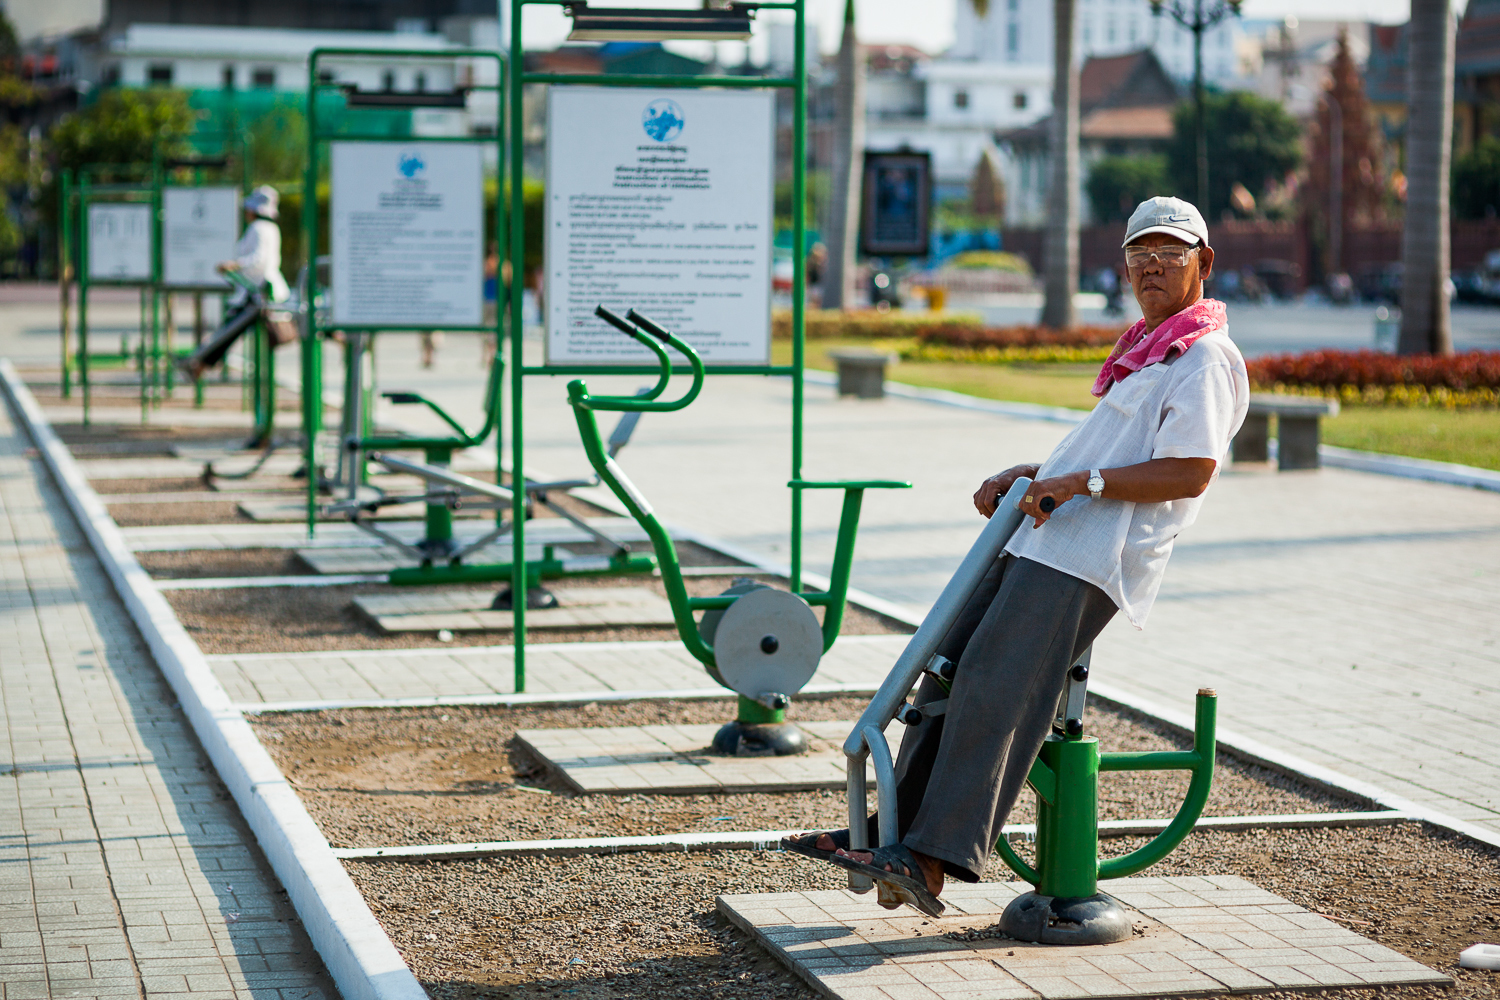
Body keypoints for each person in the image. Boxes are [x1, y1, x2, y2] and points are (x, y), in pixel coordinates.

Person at [782, 196, 1249, 916]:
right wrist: (1032, 474)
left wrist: (1081, 483)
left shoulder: (1207, 358)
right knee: (944, 670)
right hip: (1044, 537)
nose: (1152, 267)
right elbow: (1107, 456)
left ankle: (935, 856)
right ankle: (890, 833)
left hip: (1089, 559)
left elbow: (1189, 470)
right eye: (1139, 255)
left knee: (998, 686)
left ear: (1204, 263)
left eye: (1171, 254)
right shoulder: (1148, 348)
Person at [180, 186, 290, 381]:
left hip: (258, 291)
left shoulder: (259, 228)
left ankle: (201, 361)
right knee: (231, 327)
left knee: (230, 328)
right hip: (258, 289)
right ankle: (202, 361)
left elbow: (258, 259)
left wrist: (235, 265)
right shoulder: (270, 228)